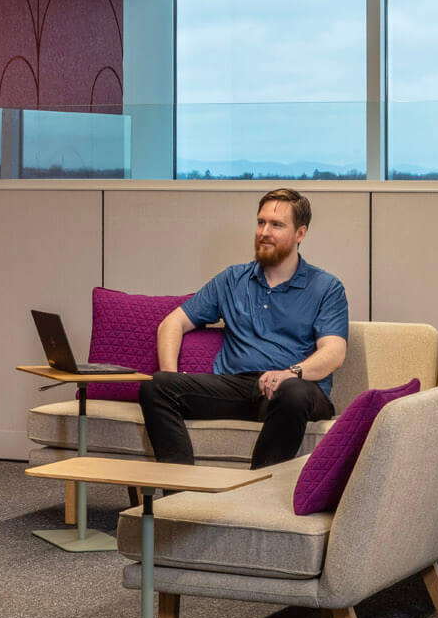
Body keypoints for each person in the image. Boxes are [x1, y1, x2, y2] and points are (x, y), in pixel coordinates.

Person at [139, 187, 351, 469]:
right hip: (236, 386)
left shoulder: (326, 287)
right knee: (156, 387)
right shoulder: (232, 279)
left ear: (300, 234)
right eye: (261, 222)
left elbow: (334, 352)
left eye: (276, 225)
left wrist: (291, 374)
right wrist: (169, 372)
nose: (264, 231)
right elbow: (172, 323)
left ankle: (256, 495)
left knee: (294, 393)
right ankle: (178, 495)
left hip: (295, 390)